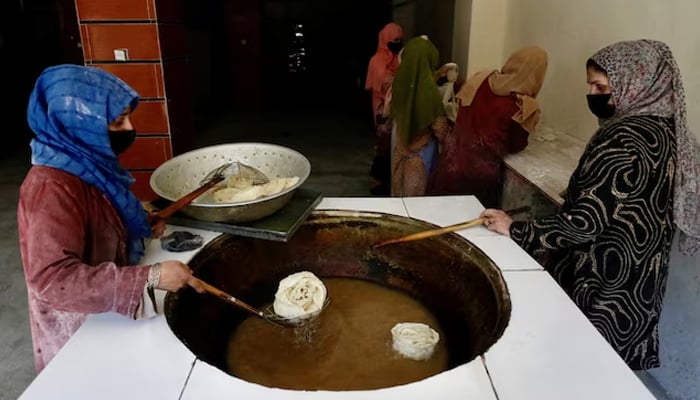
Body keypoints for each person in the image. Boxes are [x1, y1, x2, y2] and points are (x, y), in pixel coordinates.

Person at [480, 39, 700, 370]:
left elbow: (583, 223)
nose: (593, 95)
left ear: (633, 84)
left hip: (601, 280)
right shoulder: (668, 132)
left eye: (600, 86)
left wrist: (515, 229)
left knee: (577, 364)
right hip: (639, 281)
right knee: (606, 371)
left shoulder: (622, 139)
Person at [17, 64, 205, 373]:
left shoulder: (84, 162)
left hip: (104, 305)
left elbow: (99, 209)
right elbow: (52, 282)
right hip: (78, 326)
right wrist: (150, 276)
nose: (129, 129)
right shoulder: (50, 189)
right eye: (118, 122)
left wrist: (136, 218)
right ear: (77, 125)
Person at [427, 46, 548, 208]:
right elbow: (516, 146)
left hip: (450, 164)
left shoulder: (481, 78)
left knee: (436, 218)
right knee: (465, 226)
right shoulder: (522, 105)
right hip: (477, 178)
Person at [390, 35, 450, 196]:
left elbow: (417, 80)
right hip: (419, 162)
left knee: (398, 203)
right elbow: (441, 131)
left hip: (398, 156)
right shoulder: (429, 93)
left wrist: (436, 74)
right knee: (416, 210)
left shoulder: (399, 83)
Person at [365, 22, 403, 195]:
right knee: (385, 144)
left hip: (395, 107)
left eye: (400, 40)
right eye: (394, 39)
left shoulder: (398, 57)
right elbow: (385, 82)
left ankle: (386, 180)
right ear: (385, 39)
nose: (398, 43)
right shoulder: (377, 60)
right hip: (382, 108)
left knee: (393, 144)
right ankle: (377, 180)